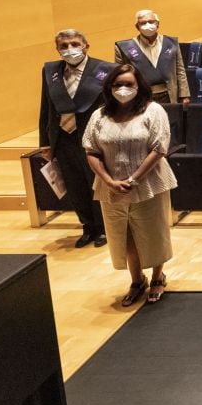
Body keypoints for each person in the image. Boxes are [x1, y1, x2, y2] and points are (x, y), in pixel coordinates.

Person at [82, 65, 177, 306]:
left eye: (128, 85)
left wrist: (134, 178)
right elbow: (91, 150)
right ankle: (137, 280)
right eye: (117, 85)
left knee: (153, 231)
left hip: (148, 182)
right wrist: (109, 180)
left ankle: (158, 276)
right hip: (110, 185)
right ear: (109, 88)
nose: (123, 89)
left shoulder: (153, 111)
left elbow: (159, 148)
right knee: (124, 233)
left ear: (139, 87)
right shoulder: (100, 115)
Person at [39, 29, 113, 248]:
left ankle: (103, 227)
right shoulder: (50, 71)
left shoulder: (105, 70)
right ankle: (87, 226)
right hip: (63, 138)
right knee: (74, 185)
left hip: (93, 138)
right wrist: (45, 142)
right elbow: (46, 108)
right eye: (63, 46)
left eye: (74, 44)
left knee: (96, 183)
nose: (69, 49)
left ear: (86, 45)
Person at [115, 9, 189, 105]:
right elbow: (121, 77)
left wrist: (184, 95)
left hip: (169, 95)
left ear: (157, 24)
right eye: (143, 23)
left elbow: (180, 70)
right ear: (137, 27)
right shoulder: (124, 48)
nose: (147, 25)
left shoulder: (171, 43)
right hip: (141, 97)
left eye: (151, 21)